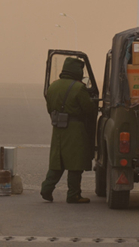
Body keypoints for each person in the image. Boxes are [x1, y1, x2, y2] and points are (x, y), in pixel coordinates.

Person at [40, 57, 97, 204]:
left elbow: (49, 108)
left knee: (57, 161)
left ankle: (46, 188)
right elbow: (89, 109)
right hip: (75, 129)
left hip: (58, 128)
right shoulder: (79, 88)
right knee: (75, 163)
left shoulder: (52, 86)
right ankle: (74, 194)